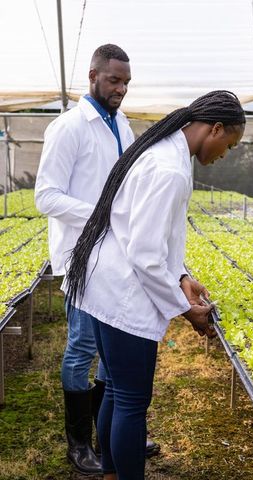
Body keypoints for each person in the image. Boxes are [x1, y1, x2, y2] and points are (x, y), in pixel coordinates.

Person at [64, 90, 246, 480]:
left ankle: (112, 473)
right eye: (228, 145)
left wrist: (181, 278)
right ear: (214, 128)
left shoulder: (164, 151)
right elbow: (145, 255)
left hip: (106, 284)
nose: (224, 154)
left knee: (115, 390)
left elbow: (149, 236)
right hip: (122, 293)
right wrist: (185, 311)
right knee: (131, 399)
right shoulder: (170, 170)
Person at [35, 43, 159, 476]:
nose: (121, 88)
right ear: (92, 76)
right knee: (83, 346)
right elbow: (45, 196)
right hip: (80, 257)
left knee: (111, 349)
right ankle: (79, 443)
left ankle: (113, 437)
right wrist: (101, 212)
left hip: (114, 257)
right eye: (113, 80)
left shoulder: (123, 125)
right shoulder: (69, 127)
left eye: (126, 82)